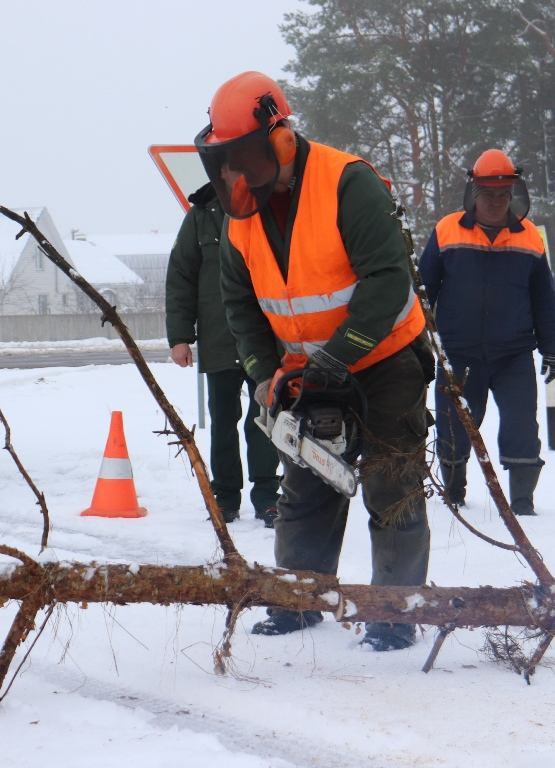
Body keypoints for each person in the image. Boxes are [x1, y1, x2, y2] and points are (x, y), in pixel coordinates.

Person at [197, 71, 434, 651]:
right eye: (228, 163)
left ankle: (394, 614)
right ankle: (296, 603)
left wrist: (339, 355)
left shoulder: (346, 183)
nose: (239, 177)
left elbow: (386, 279)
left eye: (247, 159)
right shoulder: (241, 217)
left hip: (384, 358)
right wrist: (263, 374)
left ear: (279, 138)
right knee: (305, 485)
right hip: (307, 369)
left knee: (390, 482)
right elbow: (240, 303)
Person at [418, 149, 555, 515]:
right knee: (453, 428)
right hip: (458, 353)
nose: (496, 202)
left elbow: (544, 298)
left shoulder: (530, 237)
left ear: (514, 194)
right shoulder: (446, 230)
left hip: (513, 355)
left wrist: (552, 347)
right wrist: (414, 342)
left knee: (521, 428)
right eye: (488, 194)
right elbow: (420, 293)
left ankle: (522, 502)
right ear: (474, 193)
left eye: (503, 195)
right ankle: (453, 494)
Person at [166, 182, 282, 526]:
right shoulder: (200, 216)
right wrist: (181, 337)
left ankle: (267, 497)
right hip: (218, 339)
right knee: (222, 422)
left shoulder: (267, 206)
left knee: (264, 420)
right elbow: (180, 277)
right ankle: (226, 498)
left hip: (264, 340)